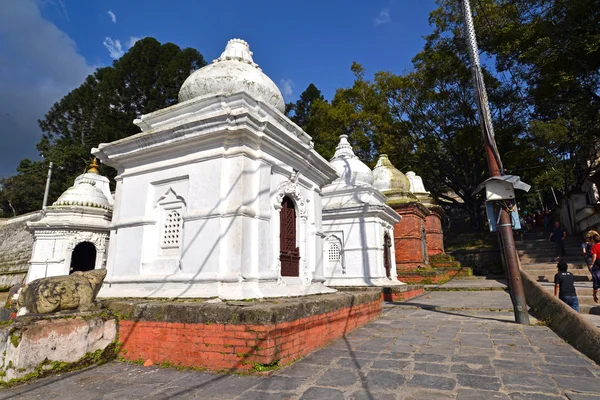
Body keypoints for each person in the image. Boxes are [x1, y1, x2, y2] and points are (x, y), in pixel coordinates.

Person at [589, 233, 600, 304]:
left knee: (596, 279)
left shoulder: (594, 247)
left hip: (598, 264)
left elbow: (594, 255)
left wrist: (592, 263)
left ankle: (595, 294)